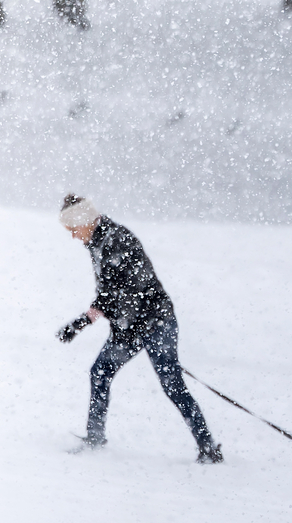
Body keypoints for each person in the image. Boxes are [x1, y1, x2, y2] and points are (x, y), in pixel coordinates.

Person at [56, 193, 223, 463]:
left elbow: (133, 291)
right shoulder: (97, 243)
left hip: (157, 322)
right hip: (130, 326)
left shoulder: (118, 240)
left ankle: (208, 448)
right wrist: (82, 321)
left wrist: (92, 323)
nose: (73, 236)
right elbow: (108, 292)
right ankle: (95, 438)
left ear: (85, 221)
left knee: (172, 385)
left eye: (73, 229)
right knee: (100, 372)